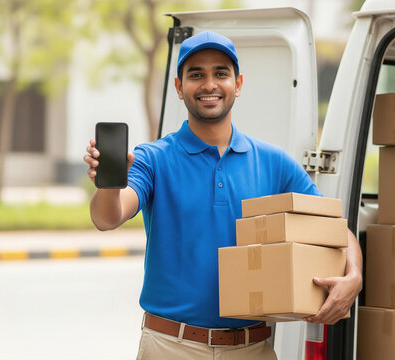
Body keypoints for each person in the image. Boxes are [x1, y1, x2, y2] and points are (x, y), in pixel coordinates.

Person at [84, 31, 363, 360]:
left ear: (238, 84)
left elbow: (335, 229)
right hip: (172, 346)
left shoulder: (274, 163)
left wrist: (355, 276)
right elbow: (107, 218)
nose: (209, 84)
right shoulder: (153, 158)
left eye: (220, 73)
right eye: (196, 75)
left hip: (253, 348)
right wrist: (107, 184)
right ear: (178, 87)